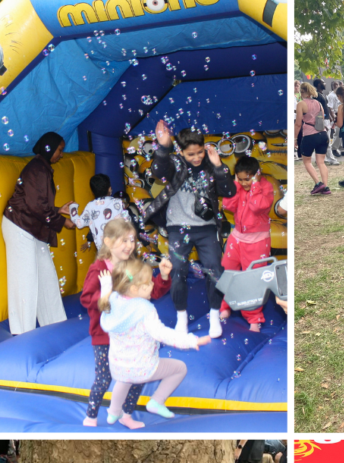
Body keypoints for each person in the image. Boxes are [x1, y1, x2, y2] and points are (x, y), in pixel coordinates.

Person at [142, 120, 236, 338]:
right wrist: (164, 146)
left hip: (206, 228)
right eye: (191, 154)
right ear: (181, 152)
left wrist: (219, 166)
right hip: (178, 227)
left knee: (214, 270)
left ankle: (214, 315)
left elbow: (229, 192)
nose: (196, 158)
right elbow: (158, 170)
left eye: (200, 152)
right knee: (177, 272)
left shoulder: (211, 163)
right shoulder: (174, 163)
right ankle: (181, 318)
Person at [80, 217, 172, 428]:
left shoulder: (134, 267)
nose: (130, 245)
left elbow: (152, 291)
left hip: (133, 336)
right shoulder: (99, 269)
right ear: (108, 242)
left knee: (137, 376)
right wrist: (107, 295)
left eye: (132, 240)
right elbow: (86, 298)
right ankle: (91, 416)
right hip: (106, 335)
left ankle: (126, 414)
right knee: (104, 377)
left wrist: (164, 277)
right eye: (124, 240)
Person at [97, 259, 208, 422]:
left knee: (124, 380)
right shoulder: (145, 309)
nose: (151, 285)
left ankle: (113, 412)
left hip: (119, 366)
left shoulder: (112, 300)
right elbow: (162, 333)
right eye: (148, 283)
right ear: (134, 289)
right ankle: (157, 401)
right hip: (143, 367)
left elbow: (106, 296)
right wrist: (191, 341)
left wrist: (106, 285)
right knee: (180, 368)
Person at [1, 131, 75, 335]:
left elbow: (37, 203)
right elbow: (35, 206)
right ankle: (22, 332)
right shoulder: (37, 169)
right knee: (25, 279)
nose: (62, 154)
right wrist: (62, 221)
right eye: (60, 150)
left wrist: (58, 210)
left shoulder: (43, 169)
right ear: (49, 148)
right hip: (20, 227)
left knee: (47, 276)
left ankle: (55, 325)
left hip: (34, 228)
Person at [218, 155, 275, 331]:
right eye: (240, 179)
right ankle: (226, 305)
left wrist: (256, 186)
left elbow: (257, 206)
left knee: (253, 280)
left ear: (256, 175)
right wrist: (235, 186)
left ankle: (254, 317)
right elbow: (228, 205)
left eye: (247, 179)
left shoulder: (265, 187)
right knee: (228, 273)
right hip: (236, 239)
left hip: (257, 242)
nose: (244, 183)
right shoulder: (239, 187)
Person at [69, 174, 130, 250]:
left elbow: (79, 224)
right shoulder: (118, 202)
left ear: (92, 192)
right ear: (110, 189)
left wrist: (72, 208)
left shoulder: (90, 206)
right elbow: (128, 221)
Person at [295, 82, 331, 196]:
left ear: (302, 92)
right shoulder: (318, 103)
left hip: (309, 135)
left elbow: (298, 123)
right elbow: (322, 118)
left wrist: (295, 138)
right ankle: (325, 187)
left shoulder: (301, 104)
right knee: (321, 162)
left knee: (307, 161)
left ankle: (318, 183)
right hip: (322, 134)